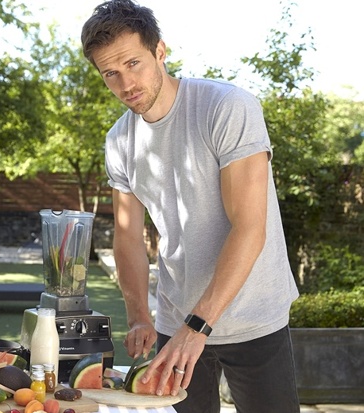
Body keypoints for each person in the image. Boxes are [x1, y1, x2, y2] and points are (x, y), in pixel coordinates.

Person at [80, 1, 300, 412]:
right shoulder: (119, 142)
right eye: (111, 73)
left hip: (252, 317)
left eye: (133, 63)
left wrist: (197, 326)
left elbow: (250, 227)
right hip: (176, 319)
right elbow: (127, 236)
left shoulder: (227, 107)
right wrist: (140, 315)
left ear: (160, 51)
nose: (126, 83)